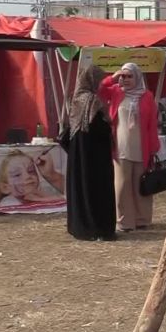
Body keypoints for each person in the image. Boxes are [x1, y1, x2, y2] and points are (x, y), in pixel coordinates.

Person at [99, 62, 161, 232]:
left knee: (141, 185)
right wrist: (112, 78)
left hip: (142, 147)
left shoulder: (147, 96)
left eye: (129, 76)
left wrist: (154, 146)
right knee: (122, 185)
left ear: (138, 77)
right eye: (123, 76)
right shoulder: (116, 92)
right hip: (121, 146)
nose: (125, 79)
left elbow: (152, 123)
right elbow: (99, 91)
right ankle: (125, 222)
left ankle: (142, 220)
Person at [65, 66, 117, 241]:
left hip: (78, 155)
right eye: (100, 81)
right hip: (94, 157)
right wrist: (109, 123)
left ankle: (79, 227)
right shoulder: (93, 101)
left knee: (81, 188)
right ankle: (97, 228)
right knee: (95, 190)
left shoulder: (76, 100)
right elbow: (98, 128)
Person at [0, 149, 65, 210]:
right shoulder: (8, 203)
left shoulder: (40, 194)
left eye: (31, 171)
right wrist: (42, 200)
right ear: (5, 187)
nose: (28, 176)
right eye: (17, 174)